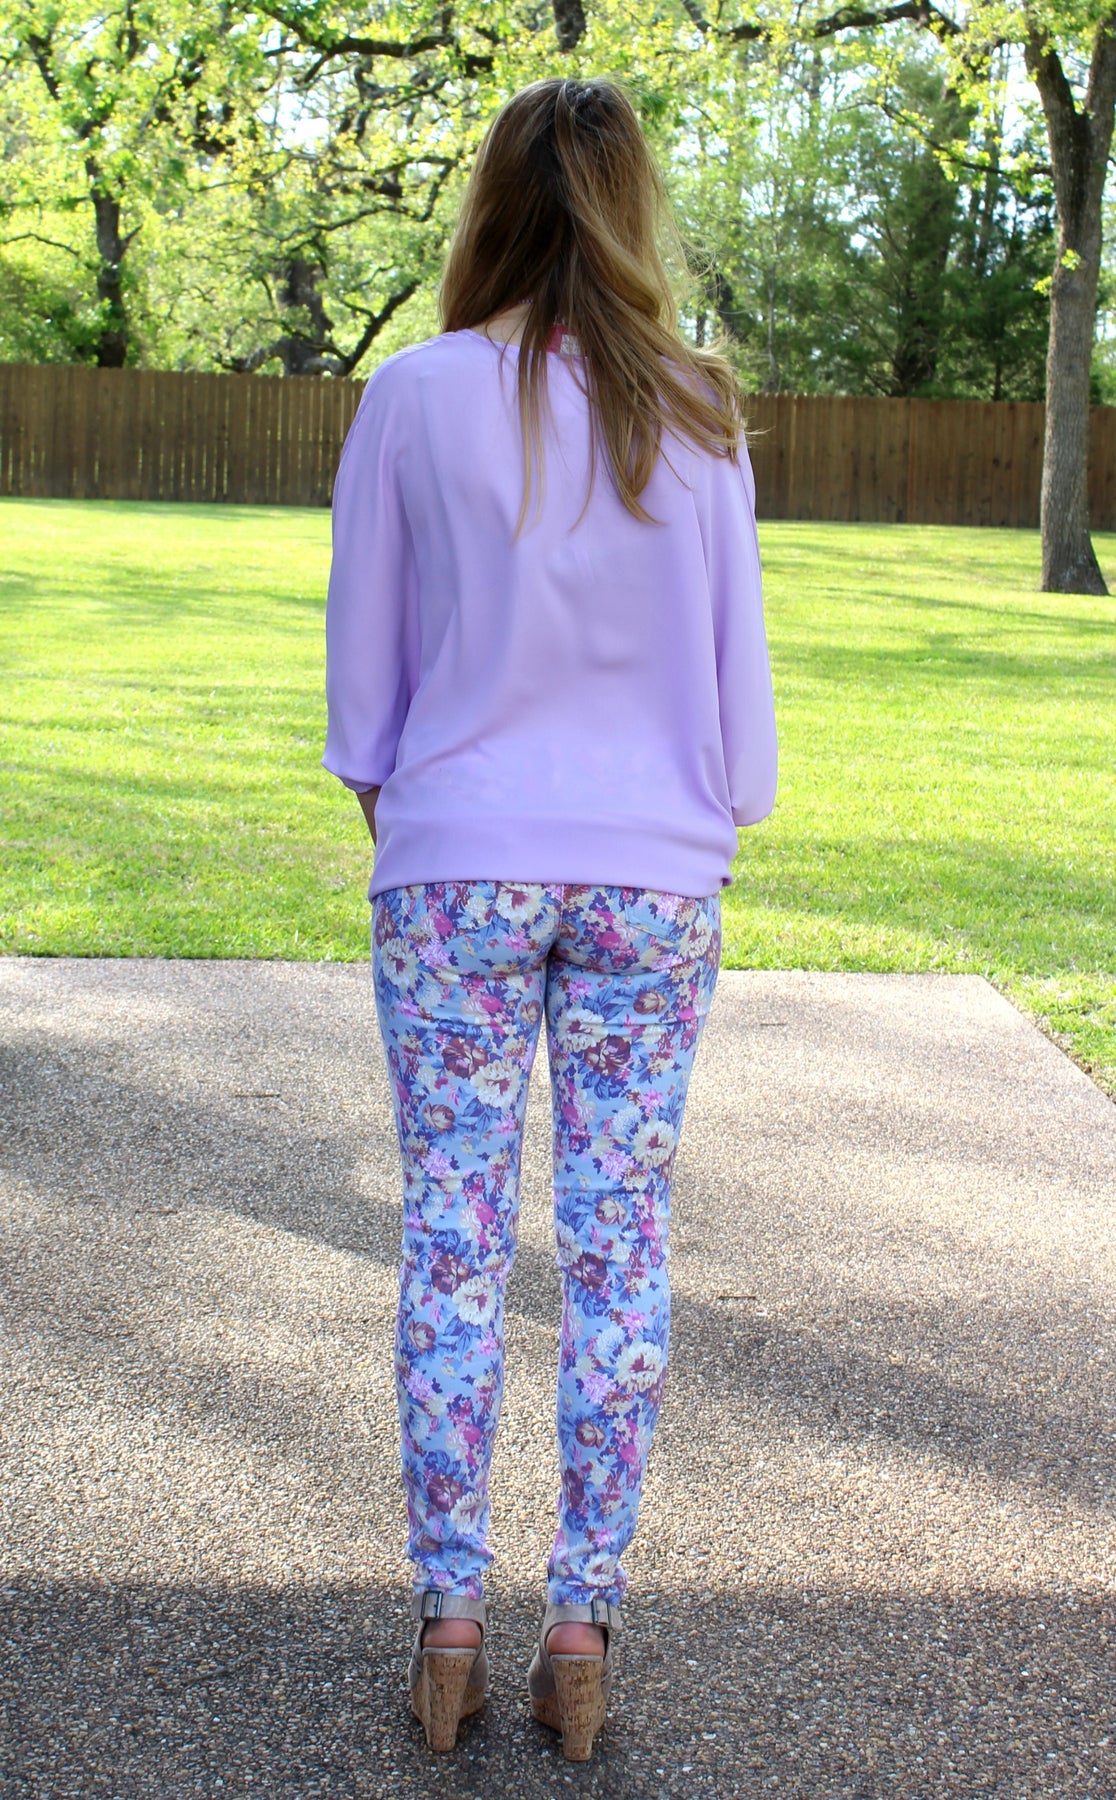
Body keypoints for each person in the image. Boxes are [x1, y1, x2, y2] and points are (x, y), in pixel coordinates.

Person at [322, 73, 777, 1764]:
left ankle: (451, 1618)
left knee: (453, 1236)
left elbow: (365, 691)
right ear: (633, 205)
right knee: (618, 1245)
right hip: (652, 874)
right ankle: (581, 1624)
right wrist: (686, 825)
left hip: (457, 863)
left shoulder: (417, 395)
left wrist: (421, 817)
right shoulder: (698, 408)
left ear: (491, 206)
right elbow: (736, 702)